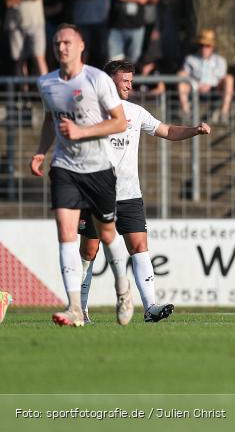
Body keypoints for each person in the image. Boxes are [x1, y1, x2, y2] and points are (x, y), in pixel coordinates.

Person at [77, 60, 211, 323]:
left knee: (139, 247)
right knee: (89, 251)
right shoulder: (90, 111)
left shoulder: (135, 112)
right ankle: (79, 310)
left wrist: (194, 130)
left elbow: (168, 130)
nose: (130, 85)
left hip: (129, 194)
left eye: (130, 80)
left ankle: (150, 307)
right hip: (96, 193)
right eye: (124, 80)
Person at [30, 24, 130, 327]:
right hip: (65, 168)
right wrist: (40, 151)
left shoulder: (97, 80)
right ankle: (74, 307)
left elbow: (120, 123)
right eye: (57, 43)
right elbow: (50, 119)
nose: (62, 47)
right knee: (65, 232)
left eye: (68, 42)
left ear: (81, 45)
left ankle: (123, 290)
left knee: (108, 234)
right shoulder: (46, 83)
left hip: (98, 169)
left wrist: (82, 131)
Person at [177, 29, 234, 123]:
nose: (204, 48)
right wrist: (196, 84)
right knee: (181, 74)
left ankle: (224, 113)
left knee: (229, 78)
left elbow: (221, 78)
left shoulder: (220, 61)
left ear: (212, 47)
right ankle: (186, 111)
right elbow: (185, 75)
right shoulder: (190, 59)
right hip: (194, 89)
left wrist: (209, 85)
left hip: (214, 89)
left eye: (207, 45)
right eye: (201, 45)